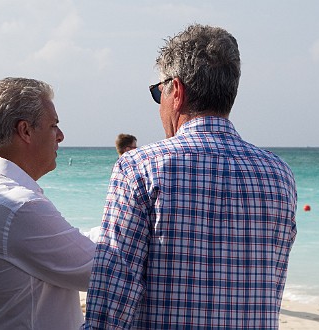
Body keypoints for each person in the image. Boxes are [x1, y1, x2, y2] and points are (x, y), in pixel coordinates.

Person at [83, 24, 297, 329]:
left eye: (159, 92)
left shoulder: (139, 168)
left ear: (177, 91)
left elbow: (111, 304)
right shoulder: (279, 176)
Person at [0, 77, 96, 330]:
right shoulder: (18, 205)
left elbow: (68, 246)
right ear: (25, 131)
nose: (61, 136)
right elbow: (101, 269)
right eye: (54, 126)